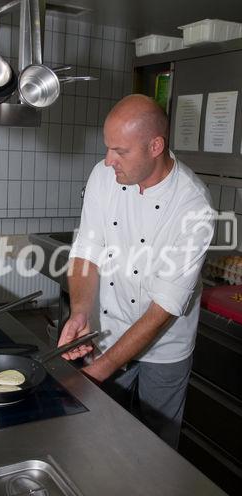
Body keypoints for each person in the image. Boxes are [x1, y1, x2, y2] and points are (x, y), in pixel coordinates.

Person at [58, 94, 214, 449]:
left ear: (155, 146)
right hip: (108, 330)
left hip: (165, 345)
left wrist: (97, 371)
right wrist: (81, 313)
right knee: (95, 435)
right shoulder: (104, 176)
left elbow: (163, 308)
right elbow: (86, 250)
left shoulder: (194, 206)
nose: (107, 159)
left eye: (120, 151)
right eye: (107, 147)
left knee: (155, 448)